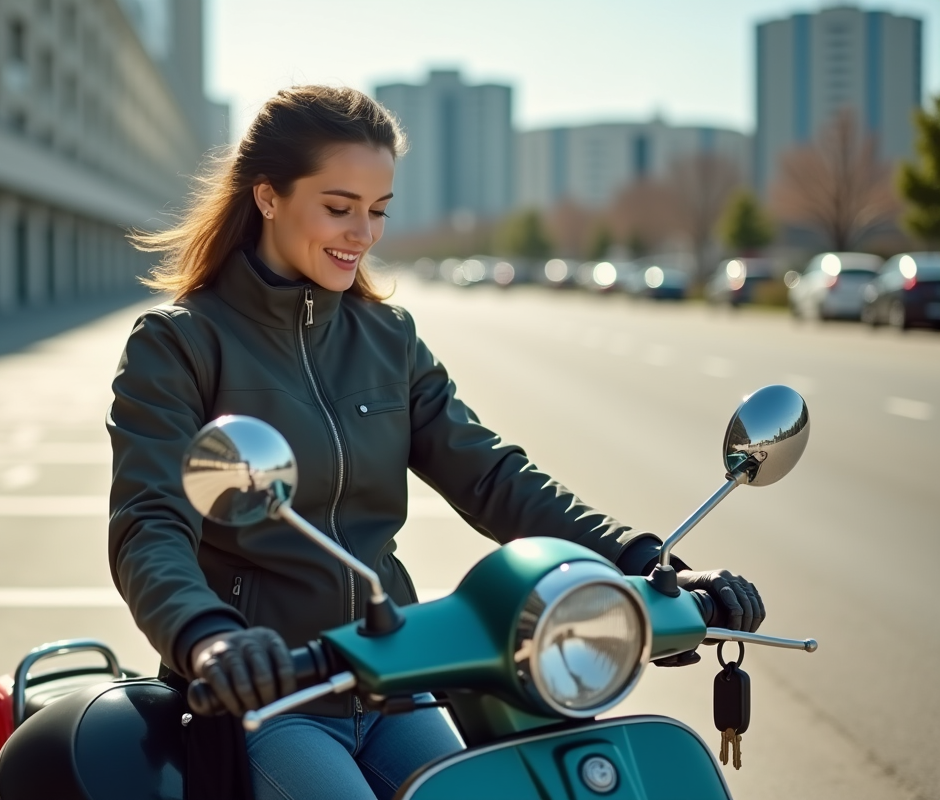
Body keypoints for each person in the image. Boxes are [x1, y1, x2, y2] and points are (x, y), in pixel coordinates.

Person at [107, 86, 764, 800]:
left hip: (392, 678)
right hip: (267, 694)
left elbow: (493, 478)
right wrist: (209, 636)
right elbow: (149, 523)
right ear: (268, 196)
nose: (363, 233)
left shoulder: (387, 340)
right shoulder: (180, 344)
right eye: (338, 207)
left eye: (379, 210)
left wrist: (650, 566)